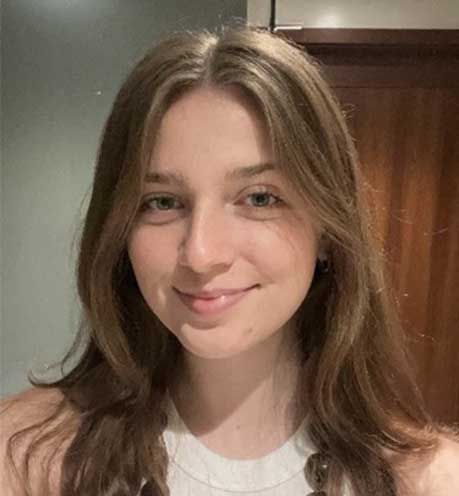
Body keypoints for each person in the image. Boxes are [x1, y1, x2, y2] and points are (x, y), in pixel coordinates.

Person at [1, 21, 458, 496]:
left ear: (328, 228)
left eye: (259, 198)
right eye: (162, 202)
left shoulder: (430, 481)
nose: (201, 254)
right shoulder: (23, 459)